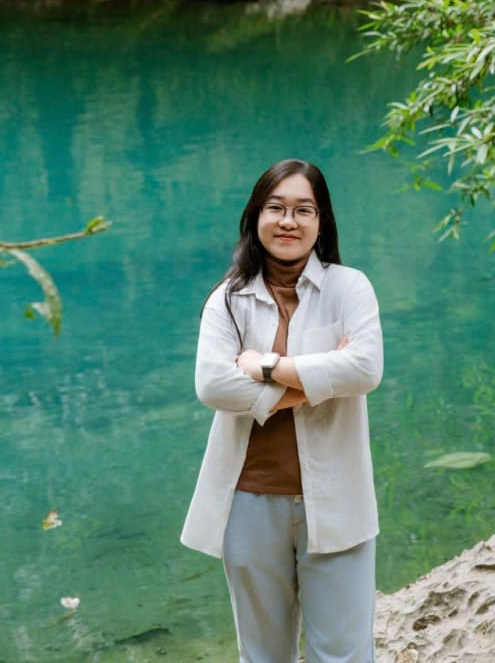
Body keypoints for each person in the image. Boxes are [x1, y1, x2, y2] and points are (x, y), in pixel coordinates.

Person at [181, 159, 383, 663]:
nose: (288, 221)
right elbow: (212, 384)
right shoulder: (227, 300)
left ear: (321, 222)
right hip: (248, 502)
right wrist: (315, 383)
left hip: (338, 499)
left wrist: (266, 366)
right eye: (276, 208)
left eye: (303, 210)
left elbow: (364, 369)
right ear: (256, 217)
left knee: (343, 655)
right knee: (263, 656)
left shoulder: (350, 288)